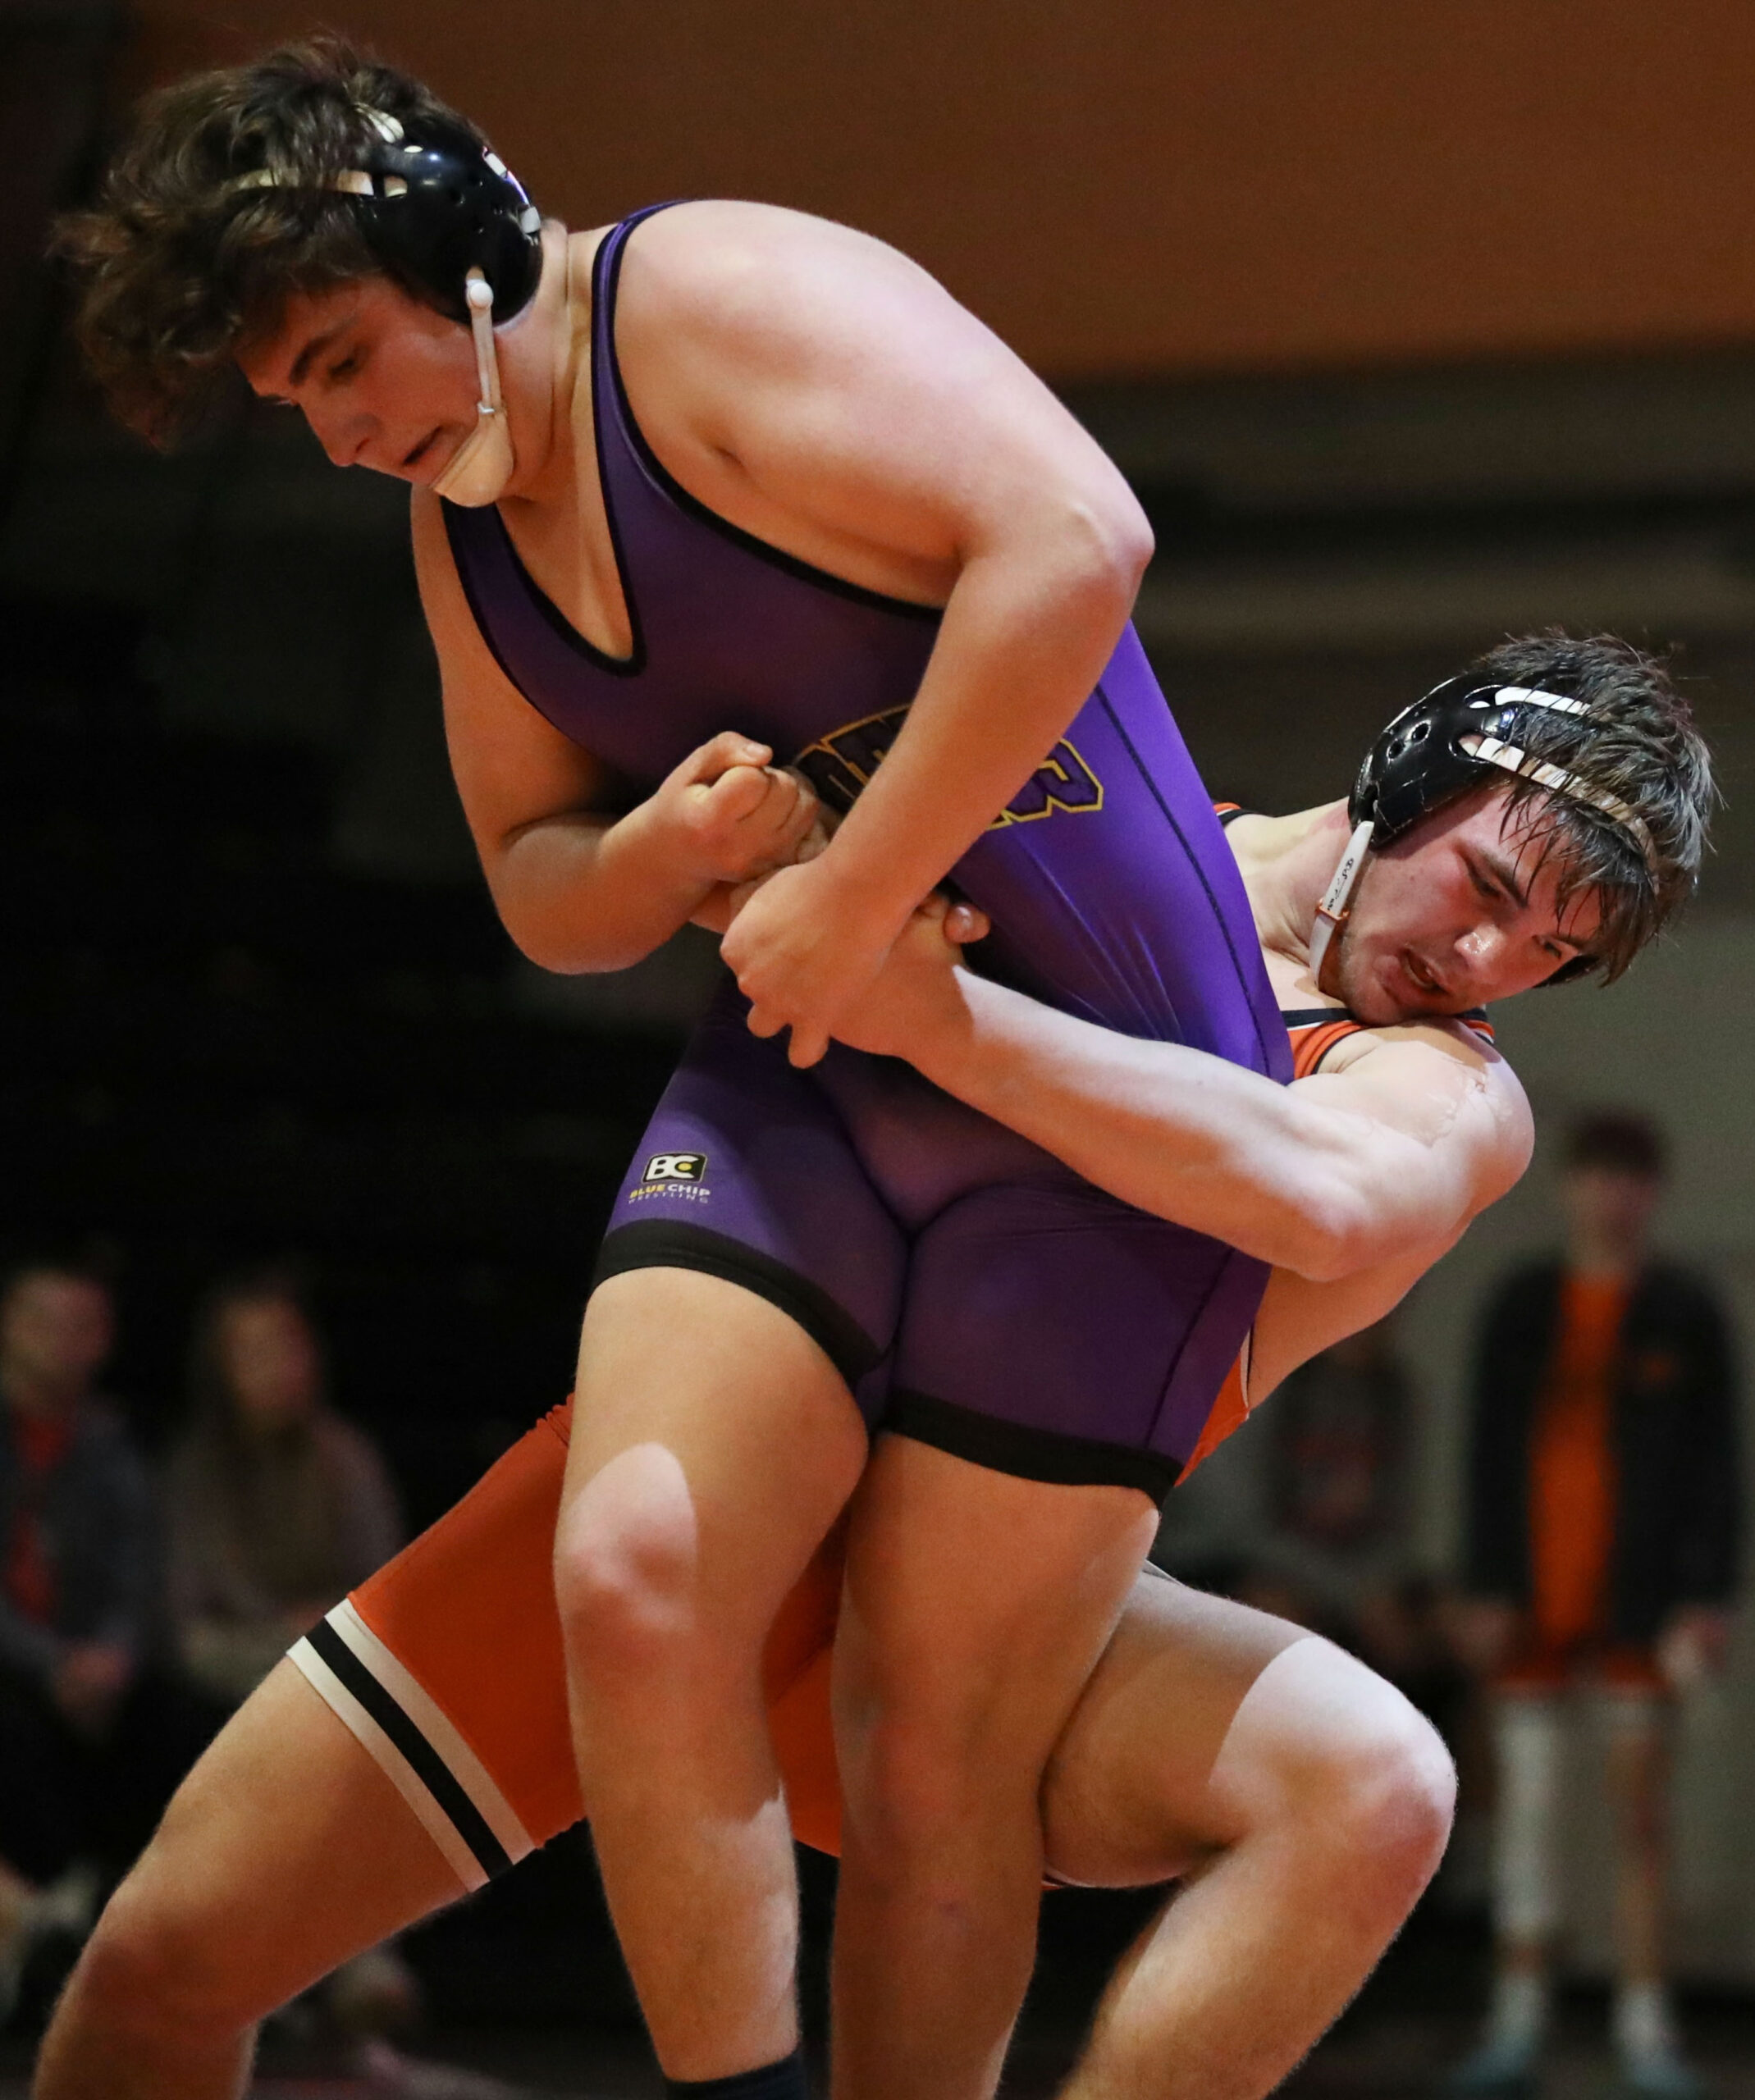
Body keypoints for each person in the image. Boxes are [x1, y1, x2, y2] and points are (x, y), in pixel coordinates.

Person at [53, 46, 1710, 2100]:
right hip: (731, 1484)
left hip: (969, 1598)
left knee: (1366, 1779)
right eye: (1492, 890)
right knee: (159, 1965)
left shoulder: (1446, 1089)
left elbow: (1305, 1191)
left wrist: (921, 1001)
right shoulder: (1109, 843)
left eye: (1549, 957)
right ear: (1412, 774)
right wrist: (693, 856)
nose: (1486, 960)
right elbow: (576, 868)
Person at [1449, 1112, 1741, 2100]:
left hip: (1641, 1601)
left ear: (1652, 1192)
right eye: (1598, 1175)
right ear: (1568, 1184)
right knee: (1526, 1816)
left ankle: (1646, 2026)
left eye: (1632, 1178)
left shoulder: (1685, 1311)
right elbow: (1487, 1453)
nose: (1613, 1196)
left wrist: (1705, 1596)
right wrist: (1485, 1583)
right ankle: (1516, 2021)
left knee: (1640, 1815)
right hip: (1532, 1596)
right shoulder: (1523, 1306)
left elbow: (1717, 1465)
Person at [164, 1271, 415, 2034]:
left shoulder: (347, 1460)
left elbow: (388, 1587)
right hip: (240, 1661)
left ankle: (358, 1957)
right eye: (253, 1352)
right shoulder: (194, 1469)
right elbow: (190, 1610)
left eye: (287, 1346)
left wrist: (319, 1630)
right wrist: (289, 1633)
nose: (276, 1367)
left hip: (332, 1661)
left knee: (357, 1711)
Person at [0, 1261, 217, 1968]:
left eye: (82, 1326)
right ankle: (46, 1916)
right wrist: (53, 1664)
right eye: (45, 1321)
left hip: (97, 1673)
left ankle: (167, 1934)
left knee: (191, 1724)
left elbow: (137, 1577)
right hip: (22, 1663)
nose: (63, 1342)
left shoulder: (113, 1447)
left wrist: (113, 1657)